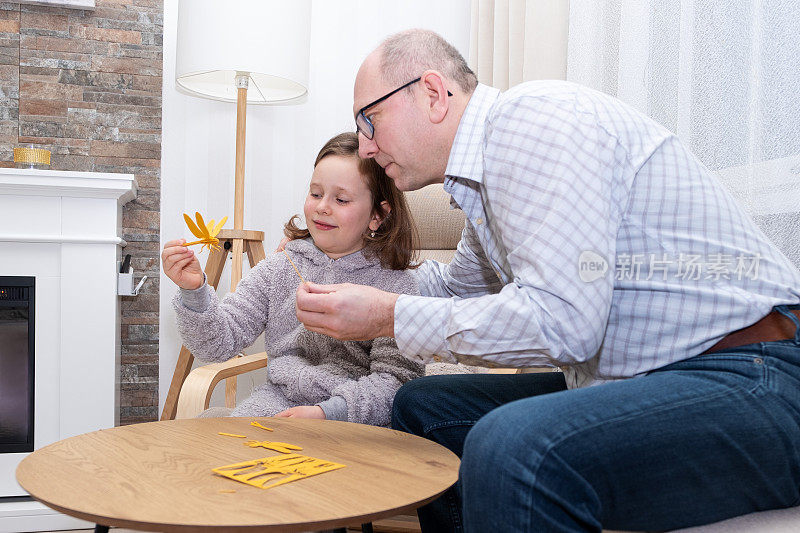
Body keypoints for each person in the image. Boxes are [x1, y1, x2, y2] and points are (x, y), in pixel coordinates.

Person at [294, 29, 800, 532]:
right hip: (657, 377)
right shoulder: (483, 188)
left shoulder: (532, 119)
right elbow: (454, 290)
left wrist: (386, 315)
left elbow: (565, 322)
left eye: (370, 119)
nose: (364, 145)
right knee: (423, 406)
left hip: (753, 373)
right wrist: (355, 280)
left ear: (432, 93)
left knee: (510, 446)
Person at [162, 132, 423, 426]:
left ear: (377, 215)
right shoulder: (279, 268)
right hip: (276, 403)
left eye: (341, 199)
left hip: (354, 417)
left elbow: (396, 380)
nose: (323, 206)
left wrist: (328, 413)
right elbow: (217, 344)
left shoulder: (395, 284)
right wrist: (193, 290)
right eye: (315, 194)